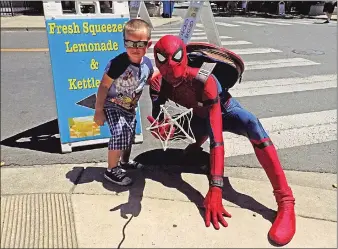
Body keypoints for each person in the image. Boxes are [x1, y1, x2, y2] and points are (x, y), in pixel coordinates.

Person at [147, 35, 296, 246]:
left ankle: (286, 200)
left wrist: (216, 188)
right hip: (199, 116)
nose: (170, 67)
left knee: (252, 124)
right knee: (193, 122)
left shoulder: (204, 79)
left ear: (185, 58)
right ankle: (195, 146)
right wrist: (165, 131)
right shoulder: (157, 84)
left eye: (175, 58)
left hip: (224, 113)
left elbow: (217, 139)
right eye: (163, 59)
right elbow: (161, 120)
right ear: (156, 59)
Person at [94, 19, 153, 186]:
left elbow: (150, 79)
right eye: (130, 43)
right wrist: (99, 110)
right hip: (113, 105)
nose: (134, 48)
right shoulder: (118, 63)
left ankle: (124, 162)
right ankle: (111, 169)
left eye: (139, 44)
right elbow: (104, 86)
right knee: (120, 133)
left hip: (129, 108)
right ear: (124, 42)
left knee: (129, 137)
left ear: (148, 45)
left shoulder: (148, 64)